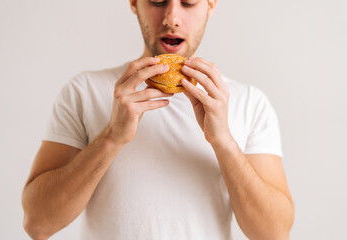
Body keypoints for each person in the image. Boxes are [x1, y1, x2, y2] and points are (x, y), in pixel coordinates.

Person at [22, 0, 294, 239]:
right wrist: (111, 138)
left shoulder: (248, 103)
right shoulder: (84, 92)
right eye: (157, 0)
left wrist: (223, 140)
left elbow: (274, 234)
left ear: (210, 5)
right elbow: (37, 224)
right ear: (133, 3)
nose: (171, 18)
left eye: (188, 3)